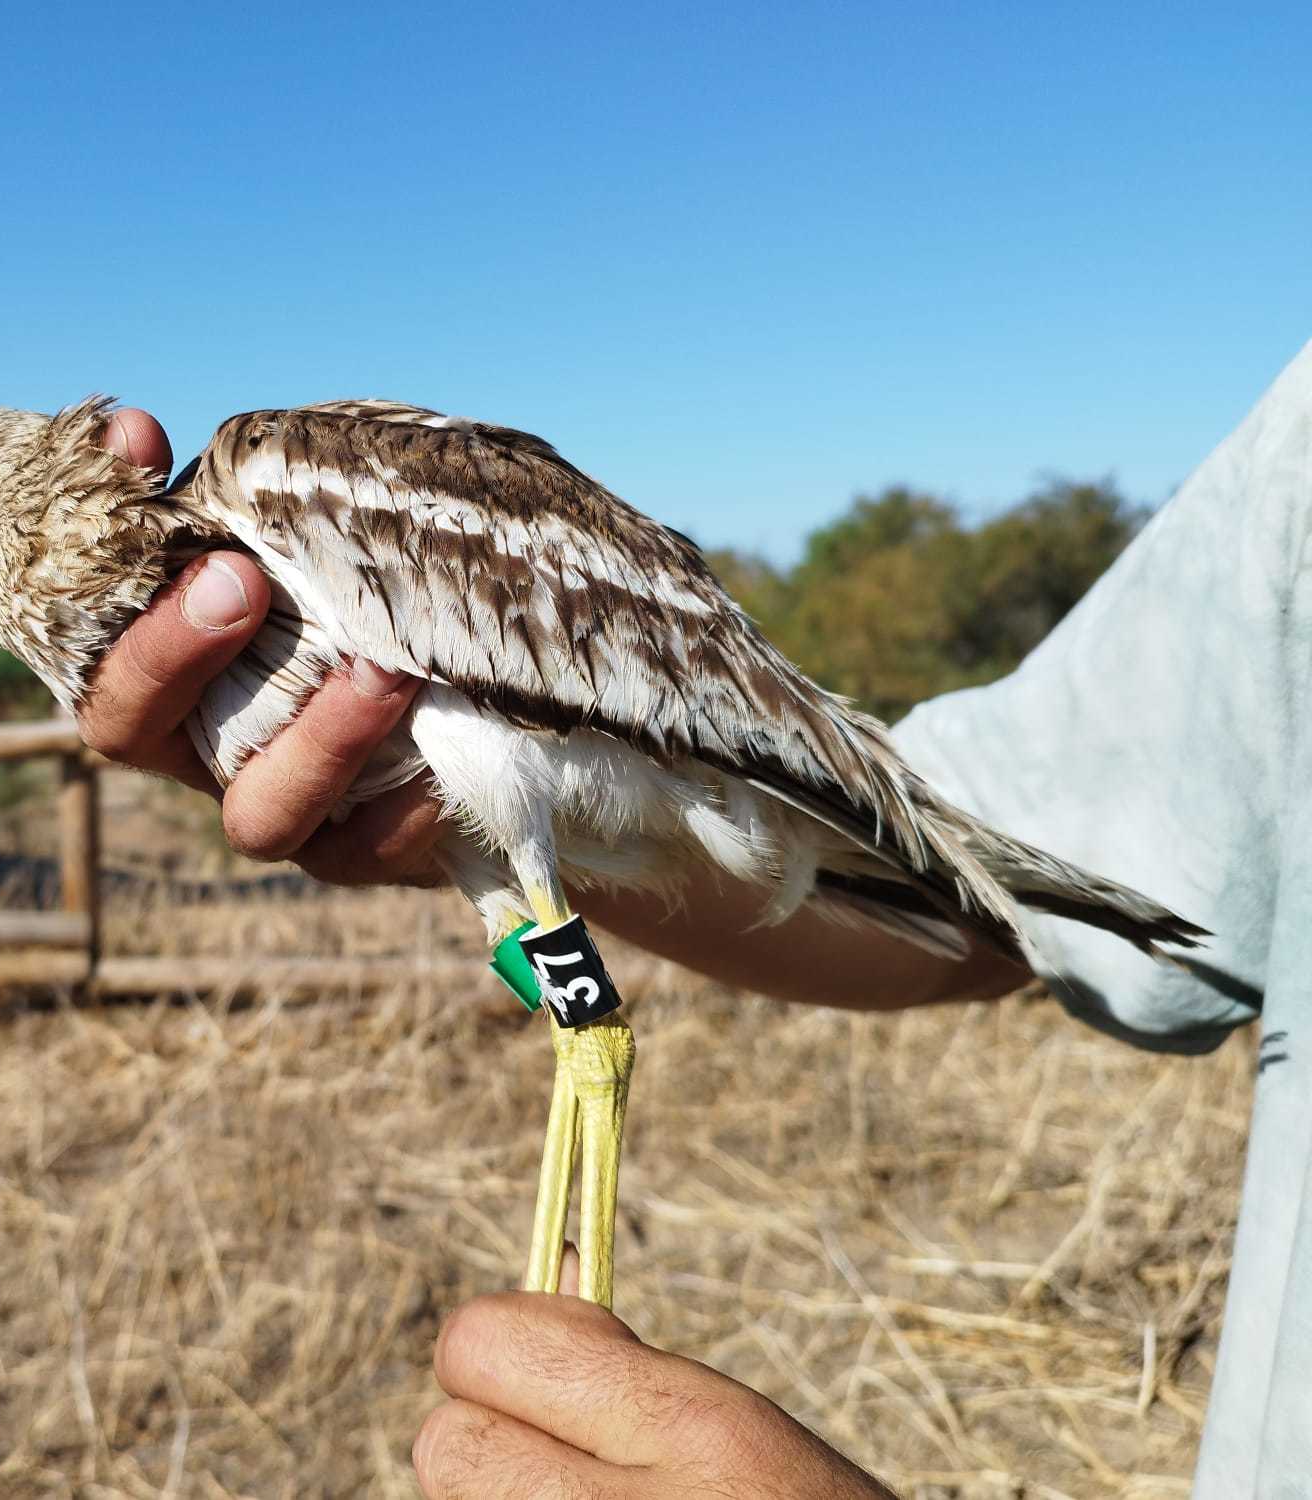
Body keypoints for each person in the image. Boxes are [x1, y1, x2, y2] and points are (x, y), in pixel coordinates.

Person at [79, 340, 1310, 1495]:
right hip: (599, 800)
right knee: (579, 1028)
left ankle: (573, 1315)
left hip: (687, 761)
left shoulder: (275, 469)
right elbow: (1003, 919)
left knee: (590, 1034)